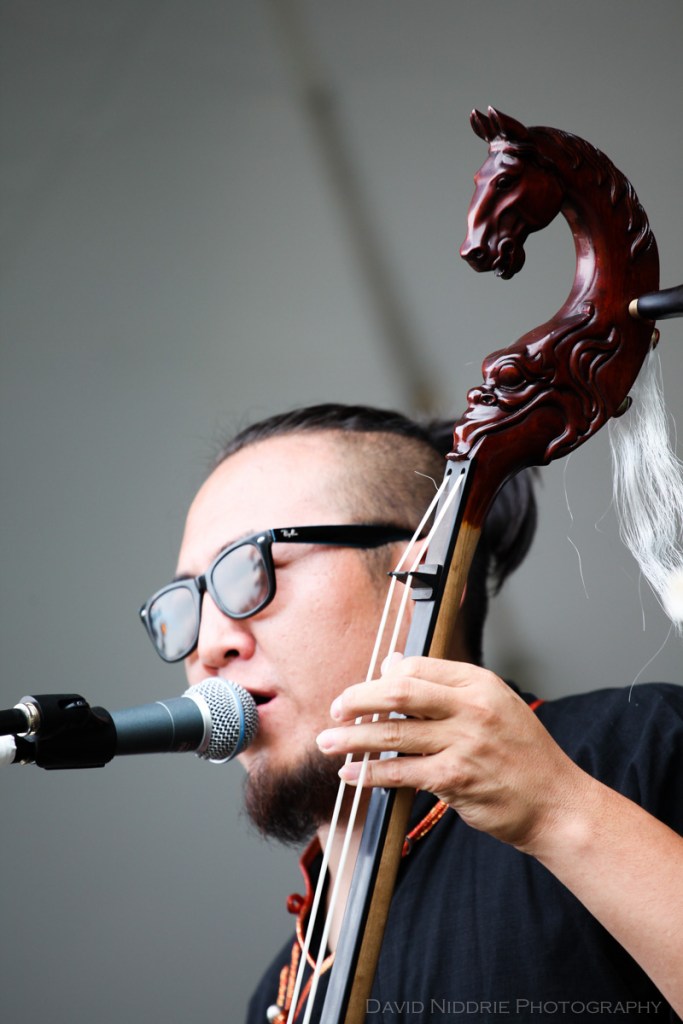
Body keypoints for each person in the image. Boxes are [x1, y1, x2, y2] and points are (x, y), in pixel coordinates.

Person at [139, 403, 683, 1023]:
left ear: (421, 573)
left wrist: (560, 810)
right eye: (188, 602)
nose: (209, 644)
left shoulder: (635, 749)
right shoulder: (282, 992)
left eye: (248, 571)